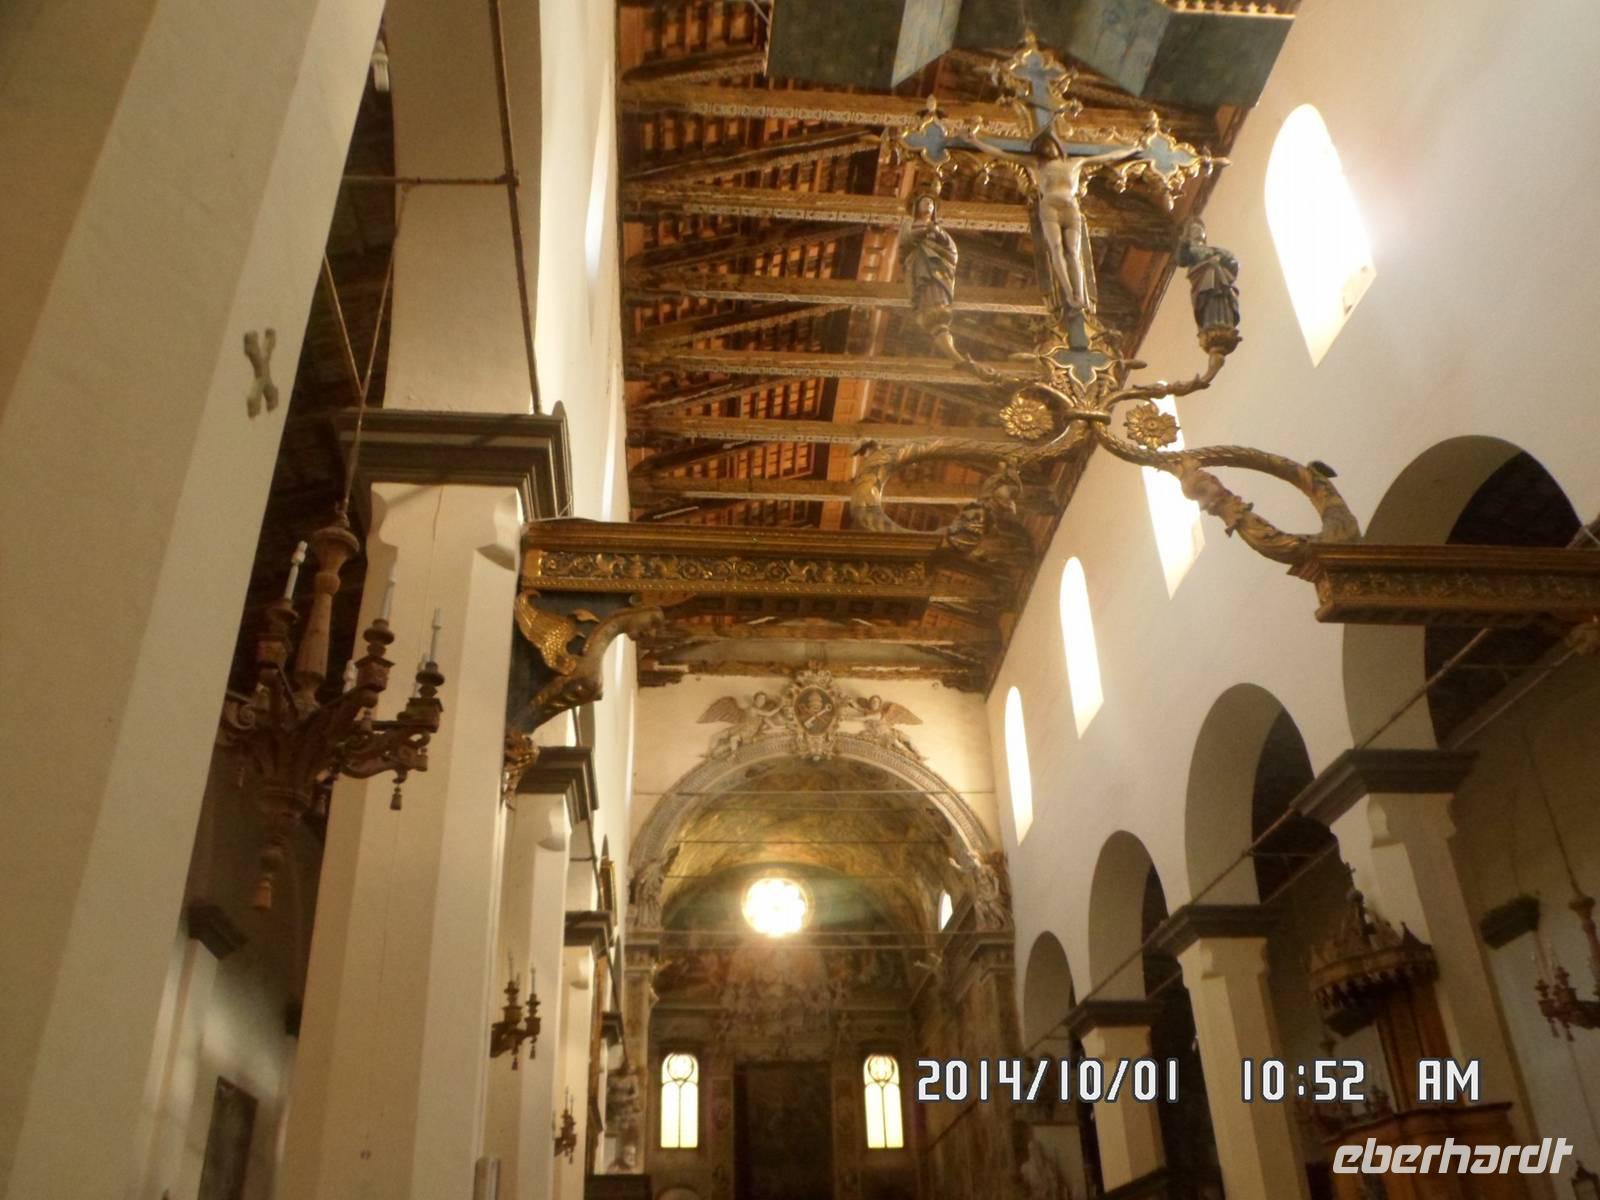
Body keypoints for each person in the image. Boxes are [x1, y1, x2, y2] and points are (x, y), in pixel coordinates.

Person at [969, 129, 1138, 319]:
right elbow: (1002, 154)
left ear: (1057, 146)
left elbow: (1108, 157)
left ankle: (1079, 294)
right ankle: (1069, 293)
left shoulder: (1076, 162)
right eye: (1043, 148)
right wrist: (975, 141)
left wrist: (1134, 148)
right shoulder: (1037, 164)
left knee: (1072, 252)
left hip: (1070, 208)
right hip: (1050, 207)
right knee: (1056, 248)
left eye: (1049, 145)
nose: (1047, 149)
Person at [897, 193, 961, 356]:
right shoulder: (909, 223)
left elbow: (952, 252)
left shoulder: (939, 230)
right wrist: (923, 233)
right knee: (925, 288)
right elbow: (904, 243)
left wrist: (937, 233)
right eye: (925, 202)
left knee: (937, 288)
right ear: (916, 207)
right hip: (919, 263)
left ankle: (940, 309)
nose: (929, 205)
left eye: (931, 203)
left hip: (938, 267)